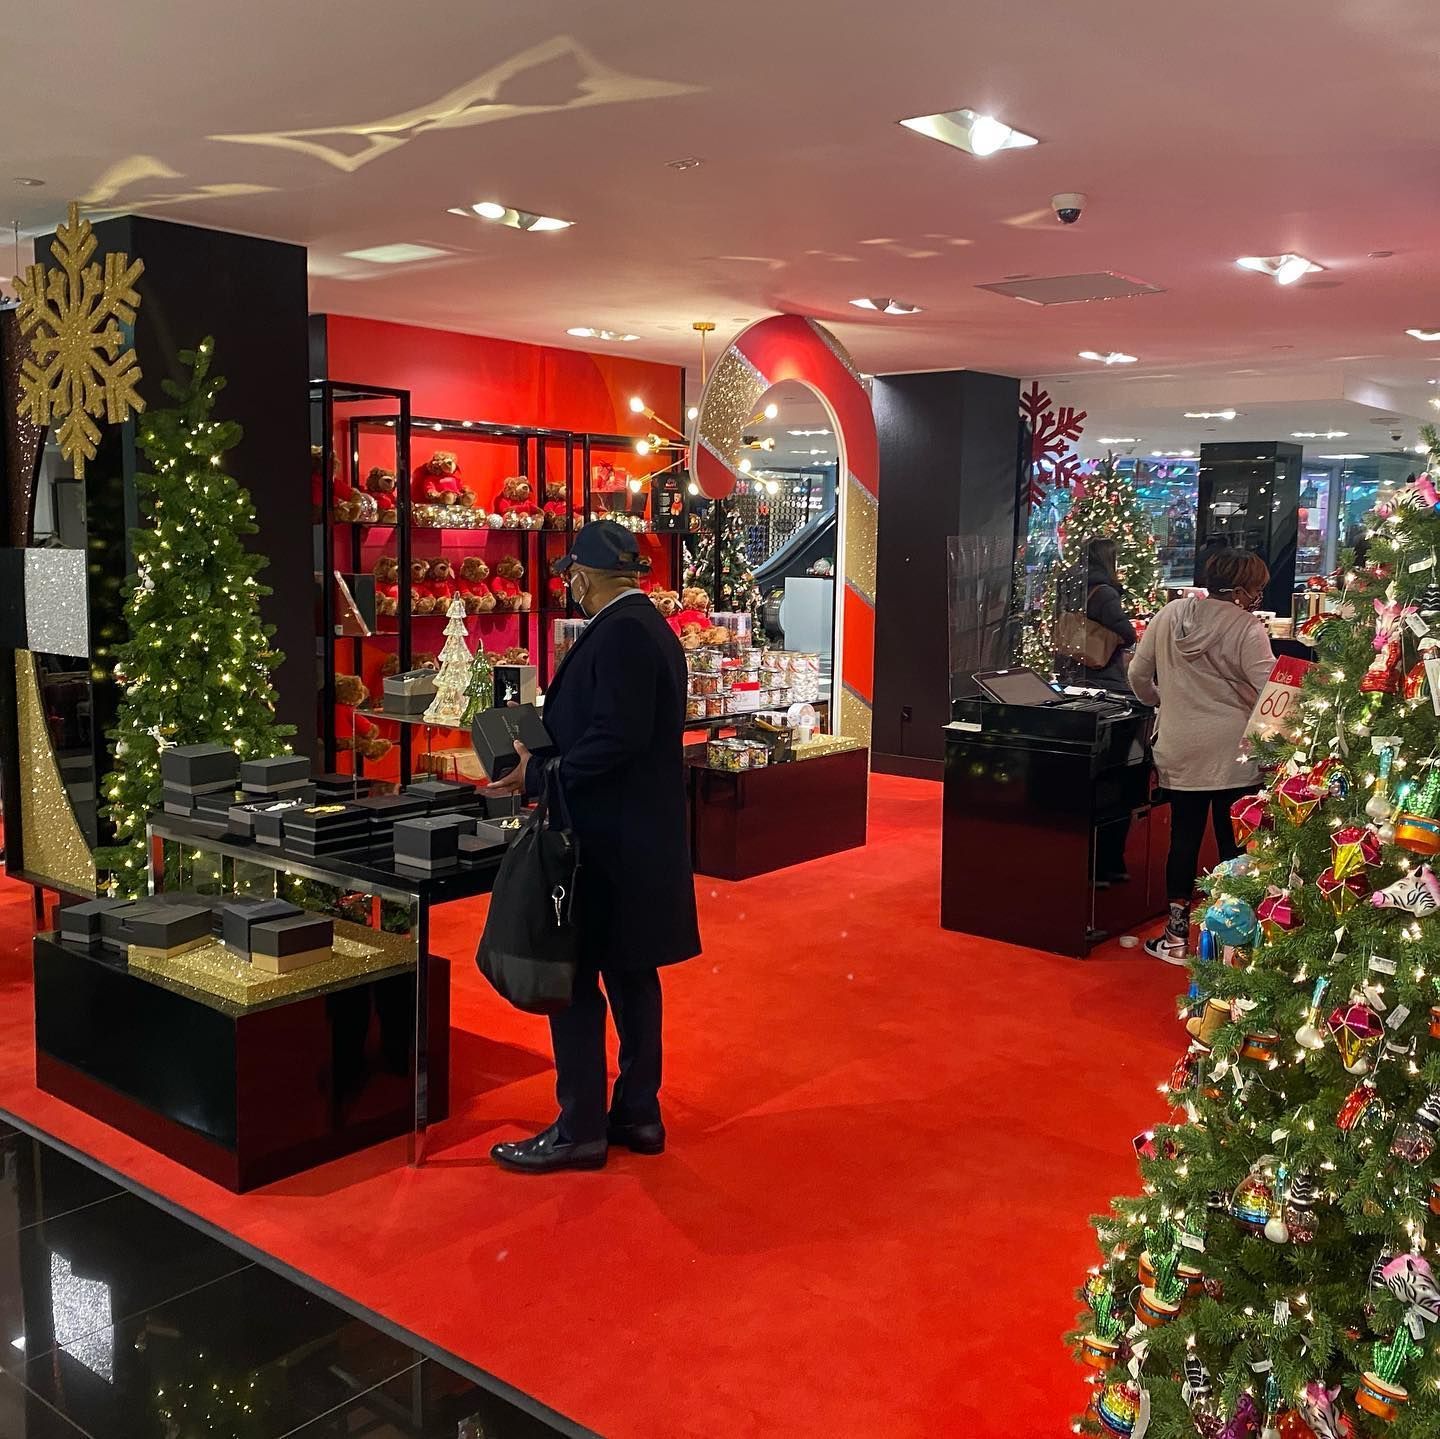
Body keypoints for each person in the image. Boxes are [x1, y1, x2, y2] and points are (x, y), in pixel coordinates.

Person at [483, 521, 701, 1173]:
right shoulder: (643, 627)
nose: (569, 587)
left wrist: (544, 773)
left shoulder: (625, 631)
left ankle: (580, 1124)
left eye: (570, 575)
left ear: (585, 574)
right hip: (633, 839)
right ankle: (636, 1110)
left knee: (574, 978)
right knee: (632, 976)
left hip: (606, 843)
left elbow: (616, 735)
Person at [1128, 549, 1275, 964]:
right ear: (1245, 590)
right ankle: (1233, 945)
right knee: (1235, 847)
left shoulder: (1170, 615)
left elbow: (1138, 676)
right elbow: (1270, 689)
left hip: (1179, 745)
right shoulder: (1248, 628)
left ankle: (1176, 937)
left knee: (1184, 840)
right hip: (1236, 751)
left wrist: (1164, 702)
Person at [1080, 537, 1136, 693]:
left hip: (1075, 666)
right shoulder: (1105, 593)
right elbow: (1126, 633)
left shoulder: (1076, 587)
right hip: (1103, 670)